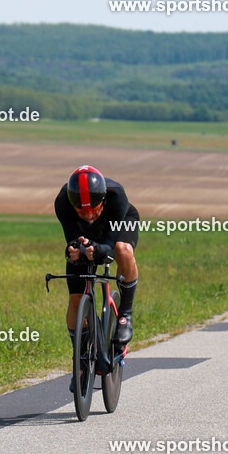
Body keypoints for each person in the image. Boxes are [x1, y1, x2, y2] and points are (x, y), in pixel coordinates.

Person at [54, 165, 139, 389]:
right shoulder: (62, 201)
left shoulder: (116, 196)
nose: (90, 215)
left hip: (117, 225)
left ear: (103, 199)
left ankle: (125, 314)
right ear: (73, 206)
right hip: (86, 234)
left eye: (94, 209)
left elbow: (110, 243)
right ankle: (80, 359)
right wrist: (73, 249)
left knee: (123, 250)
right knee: (75, 298)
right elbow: (71, 237)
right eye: (83, 212)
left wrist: (101, 250)